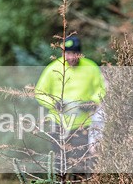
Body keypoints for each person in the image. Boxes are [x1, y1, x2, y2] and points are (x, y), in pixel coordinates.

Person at [34, 35, 105, 174]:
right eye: (67, 53)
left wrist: (92, 102)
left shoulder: (91, 67)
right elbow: (39, 92)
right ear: (63, 53)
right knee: (60, 163)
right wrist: (54, 103)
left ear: (80, 53)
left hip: (82, 125)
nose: (71, 57)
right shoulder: (53, 68)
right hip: (58, 124)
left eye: (74, 53)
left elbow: (100, 89)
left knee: (81, 162)